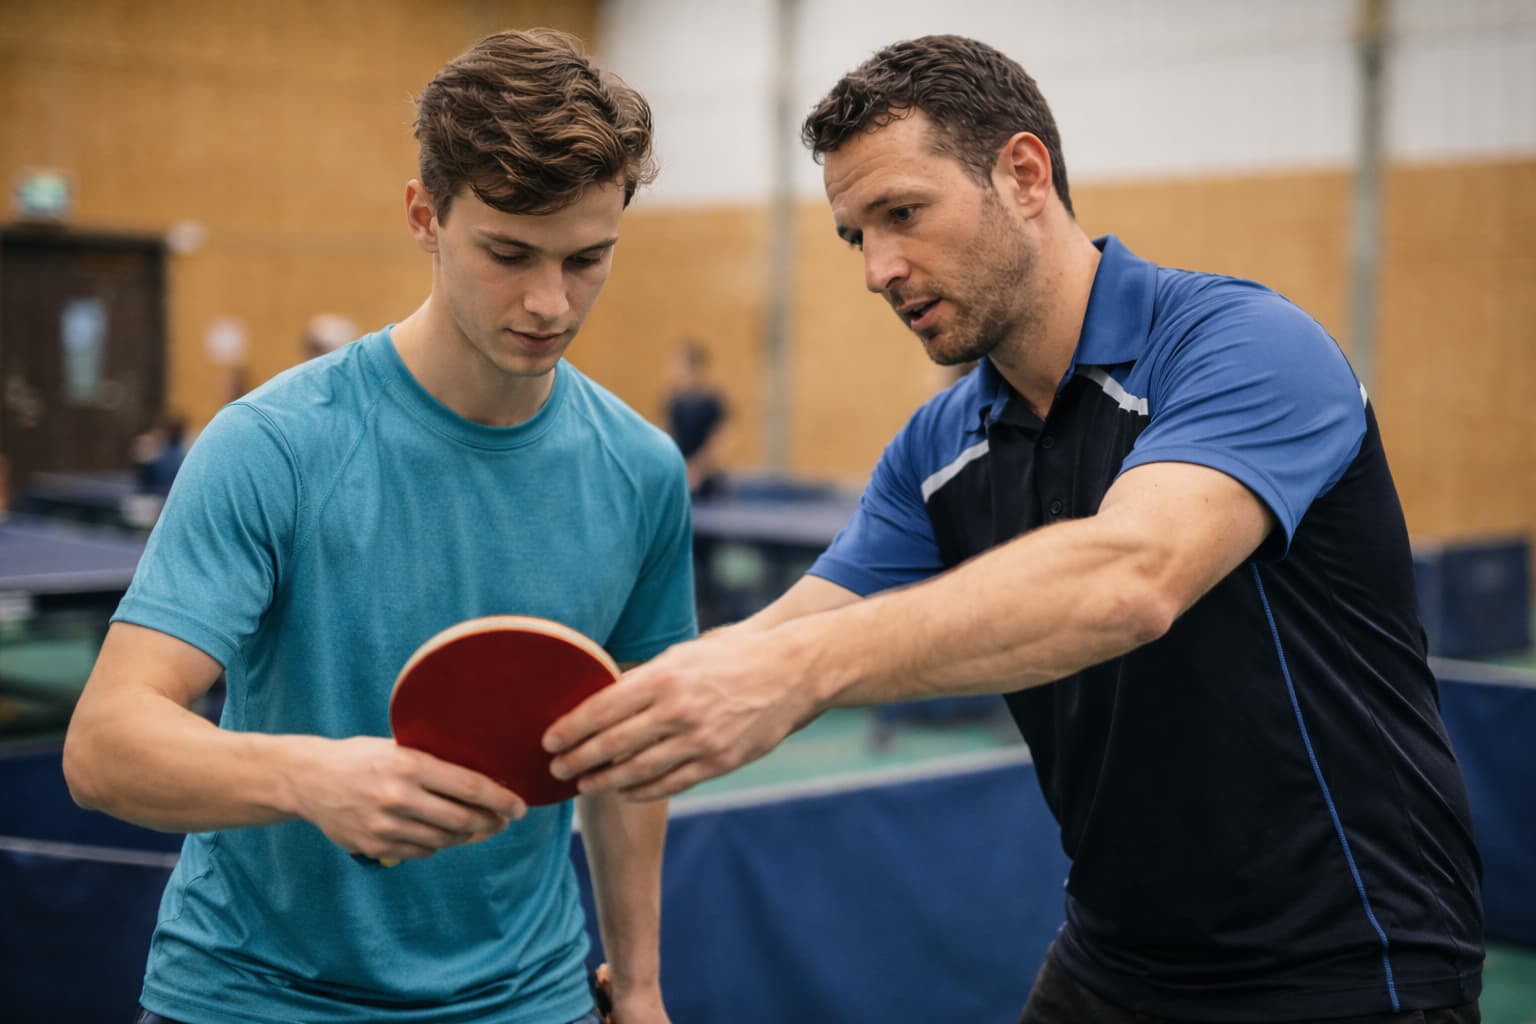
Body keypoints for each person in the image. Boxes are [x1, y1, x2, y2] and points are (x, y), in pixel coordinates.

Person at [542, 34, 1484, 1023]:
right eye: (855, 235)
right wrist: (574, 731)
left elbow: (1131, 578)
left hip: (1349, 958)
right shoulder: (938, 446)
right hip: (1118, 953)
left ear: (1025, 175)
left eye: (903, 214)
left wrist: (802, 672)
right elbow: (776, 640)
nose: (878, 268)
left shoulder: (1245, 347)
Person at [63, 28, 692, 1024]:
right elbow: (102, 746)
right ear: (423, 215)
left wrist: (645, 985)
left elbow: (627, 761)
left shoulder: (644, 472)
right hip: (250, 997)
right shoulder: (272, 444)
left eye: (587, 260)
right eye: (508, 252)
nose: (548, 300)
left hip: (527, 998)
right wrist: (308, 775)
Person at [662, 338, 729, 500]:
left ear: (694, 368)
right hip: (680, 476)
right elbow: (665, 437)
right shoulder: (674, 402)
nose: (675, 370)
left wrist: (696, 471)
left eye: (680, 365)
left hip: (706, 481)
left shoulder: (712, 402)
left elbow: (720, 444)